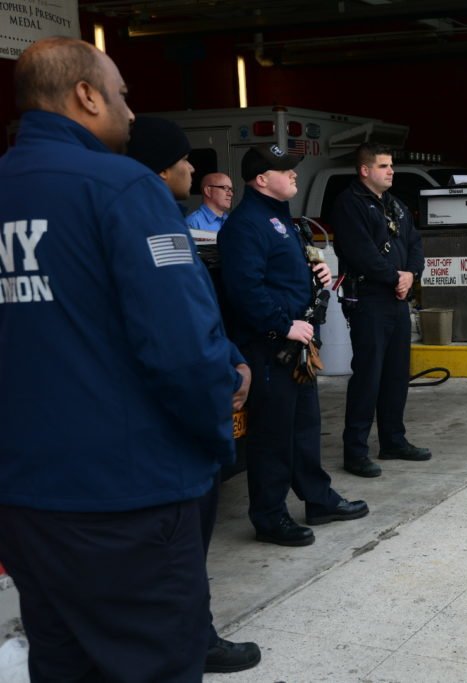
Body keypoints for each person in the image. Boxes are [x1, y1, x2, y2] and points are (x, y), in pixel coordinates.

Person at [0, 37, 238, 680]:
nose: (132, 115)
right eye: (124, 95)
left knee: (63, 662)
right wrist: (219, 433)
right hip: (129, 501)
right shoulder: (121, 187)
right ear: (86, 94)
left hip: (26, 504)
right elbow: (183, 349)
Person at [127, 115, 262, 674]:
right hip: (175, 419)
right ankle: (192, 639)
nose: (192, 167)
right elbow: (175, 324)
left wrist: (229, 352)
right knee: (181, 541)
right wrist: (224, 382)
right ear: (164, 167)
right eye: (185, 160)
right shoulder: (150, 216)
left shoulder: (162, 215)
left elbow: (197, 309)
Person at [218, 143, 369, 546]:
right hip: (270, 347)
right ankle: (269, 517)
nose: (294, 175)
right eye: (285, 171)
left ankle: (318, 499)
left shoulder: (283, 221)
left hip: (297, 346)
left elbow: (279, 276)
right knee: (271, 436)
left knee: (304, 427)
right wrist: (283, 324)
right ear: (262, 179)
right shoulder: (245, 225)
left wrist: (313, 273)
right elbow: (244, 290)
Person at [330, 142, 431, 478]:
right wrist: (395, 277)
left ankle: (393, 440)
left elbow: (415, 244)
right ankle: (355, 452)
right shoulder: (349, 205)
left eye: (391, 166)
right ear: (365, 170)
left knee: (396, 375)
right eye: (384, 166)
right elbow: (361, 254)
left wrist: (411, 274)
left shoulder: (395, 206)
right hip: (369, 300)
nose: (391, 171)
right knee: (368, 377)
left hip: (397, 300)